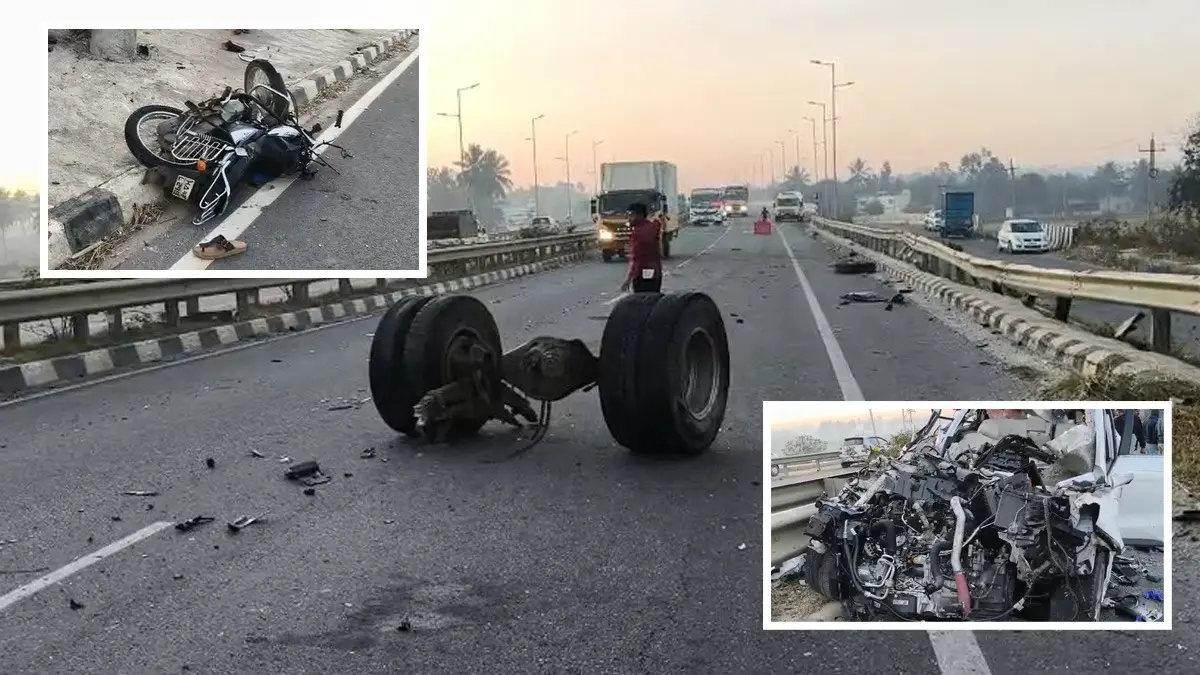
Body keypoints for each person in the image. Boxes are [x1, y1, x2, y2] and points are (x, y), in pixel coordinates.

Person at [620, 202, 663, 293]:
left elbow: (635, 259)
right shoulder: (652, 227)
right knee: (654, 296)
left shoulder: (638, 233)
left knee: (642, 297)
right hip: (655, 271)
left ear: (639, 215)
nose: (628, 218)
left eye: (631, 215)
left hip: (640, 273)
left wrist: (628, 280)